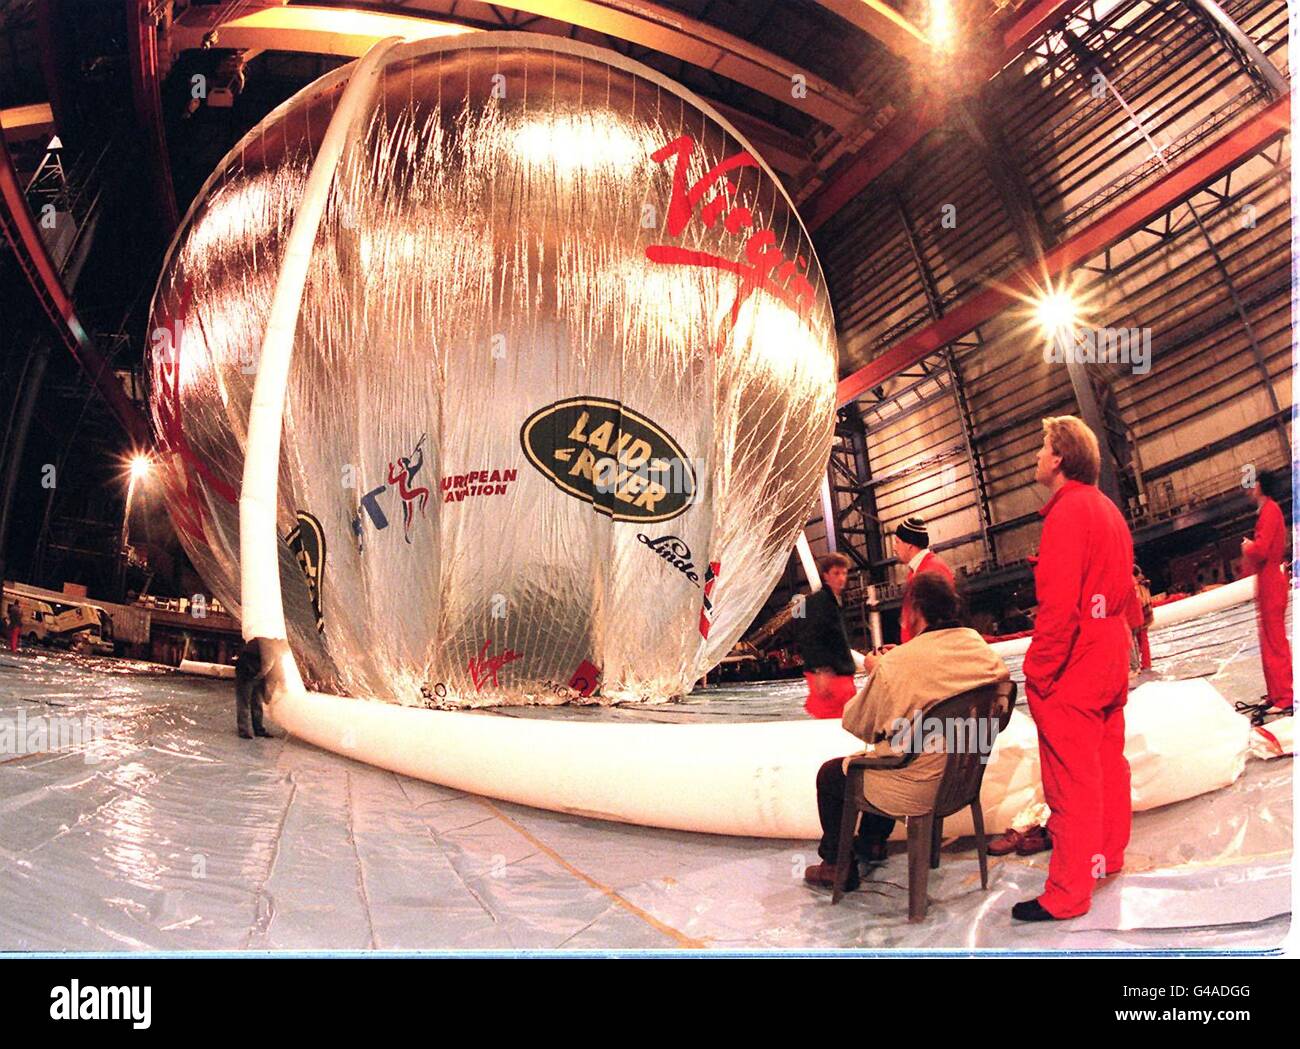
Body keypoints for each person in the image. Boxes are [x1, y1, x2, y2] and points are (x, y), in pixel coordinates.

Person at [803, 573, 1010, 891]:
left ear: (914, 611)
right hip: (963, 783)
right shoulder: (984, 653)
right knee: (896, 750)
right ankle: (872, 842)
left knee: (835, 774)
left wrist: (878, 671)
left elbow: (861, 725)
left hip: (916, 787)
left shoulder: (897, 663)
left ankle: (836, 865)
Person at [1013, 416, 1134, 923]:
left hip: (1076, 662)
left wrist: (1037, 670)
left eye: (1042, 447)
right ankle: (1104, 859)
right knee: (1108, 765)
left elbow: (1059, 609)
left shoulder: (1065, 515)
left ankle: (1067, 892)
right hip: (1109, 652)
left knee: (1072, 781)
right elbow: (1122, 591)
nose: (1037, 457)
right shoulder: (1107, 510)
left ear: (1059, 458)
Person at [1239, 470, 1292, 721]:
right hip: (1268, 580)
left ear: (1260, 486)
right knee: (1269, 640)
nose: (1248, 489)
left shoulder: (1270, 511)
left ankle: (1284, 696)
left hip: (1271, 579)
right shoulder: (1268, 511)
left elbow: (1261, 550)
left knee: (1275, 642)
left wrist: (1248, 546)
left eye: (1252, 484)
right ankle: (1276, 692)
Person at [795, 553, 858, 719]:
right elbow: (808, 635)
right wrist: (820, 669)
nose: (842, 578)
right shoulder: (819, 601)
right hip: (829, 677)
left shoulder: (834, 602)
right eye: (836, 573)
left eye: (844, 573)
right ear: (826, 576)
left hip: (837, 675)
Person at [894, 516, 954, 643]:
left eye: (897, 542)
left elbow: (936, 624)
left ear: (909, 544)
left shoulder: (932, 571)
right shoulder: (917, 571)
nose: (894, 548)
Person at [234, 639, 273, 739]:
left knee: (256, 702)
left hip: (255, 669)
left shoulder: (264, 642)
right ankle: (244, 730)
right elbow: (268, 664)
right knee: (245, 701)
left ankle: (257, 729)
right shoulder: (268, 644)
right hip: (247, 671)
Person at [1131, 564, 1153, 672]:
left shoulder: (1139, 586)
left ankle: (1145, 663)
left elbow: (1139, 603)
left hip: (1141, 615)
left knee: (1142, 641)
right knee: (1142, 640)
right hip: (1145, 614)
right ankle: (1145, 663)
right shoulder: (1144, 584)